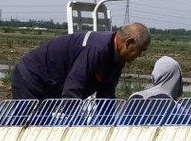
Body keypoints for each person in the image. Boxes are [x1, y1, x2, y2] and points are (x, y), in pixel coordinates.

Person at [10, 23, 150, 101]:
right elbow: (72, 90)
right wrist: (76, 129)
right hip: (32, 78)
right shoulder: (97, 49)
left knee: (43, 125)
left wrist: (106, 127)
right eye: (141, 50)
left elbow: (106, 97)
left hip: (52, 86)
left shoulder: (117, 59)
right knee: (27, 126)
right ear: (129, 42)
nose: (140, 55)